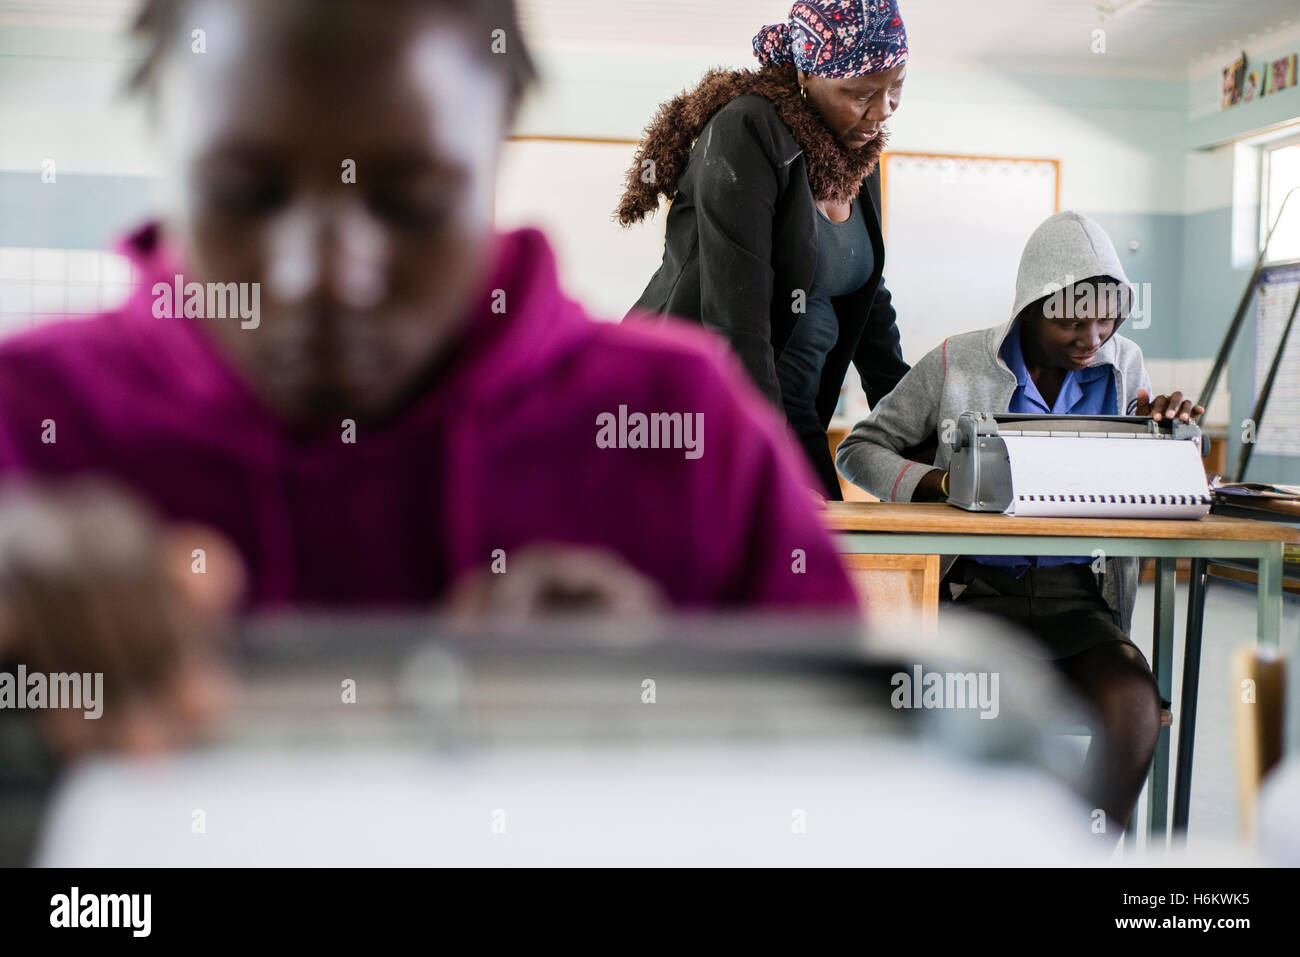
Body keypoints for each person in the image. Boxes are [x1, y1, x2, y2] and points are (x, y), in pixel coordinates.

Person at [0, 0, 858, 754]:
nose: (325, 275)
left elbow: (853, 793)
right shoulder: (29, 418)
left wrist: (669, 715)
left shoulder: (681, 426)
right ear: (167, 149)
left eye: (410, 201)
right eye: (244, 192)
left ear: (495, 156)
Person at [835, 211, 1205, 830]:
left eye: (1107, 315)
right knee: (973, 718)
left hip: (1076, 602)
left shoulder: (1124, 364)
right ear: (1029, 308)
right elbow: (860, 448)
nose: (1092, 336)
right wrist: (943, 485)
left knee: (1134, 706)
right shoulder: (958, 362)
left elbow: (1143, 481)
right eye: (1070, 320)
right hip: (974, 596)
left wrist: (1173, 436)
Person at [619, 0, 912, 499]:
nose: (883, 110)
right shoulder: (748, 129)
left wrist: (914, 424)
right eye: (862, 93)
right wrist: (764, 469)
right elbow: (737, 320)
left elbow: (868, 298)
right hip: (692, 411)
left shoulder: (856, 153)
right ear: (807, 73)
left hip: (793, 414)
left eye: (897, 86)